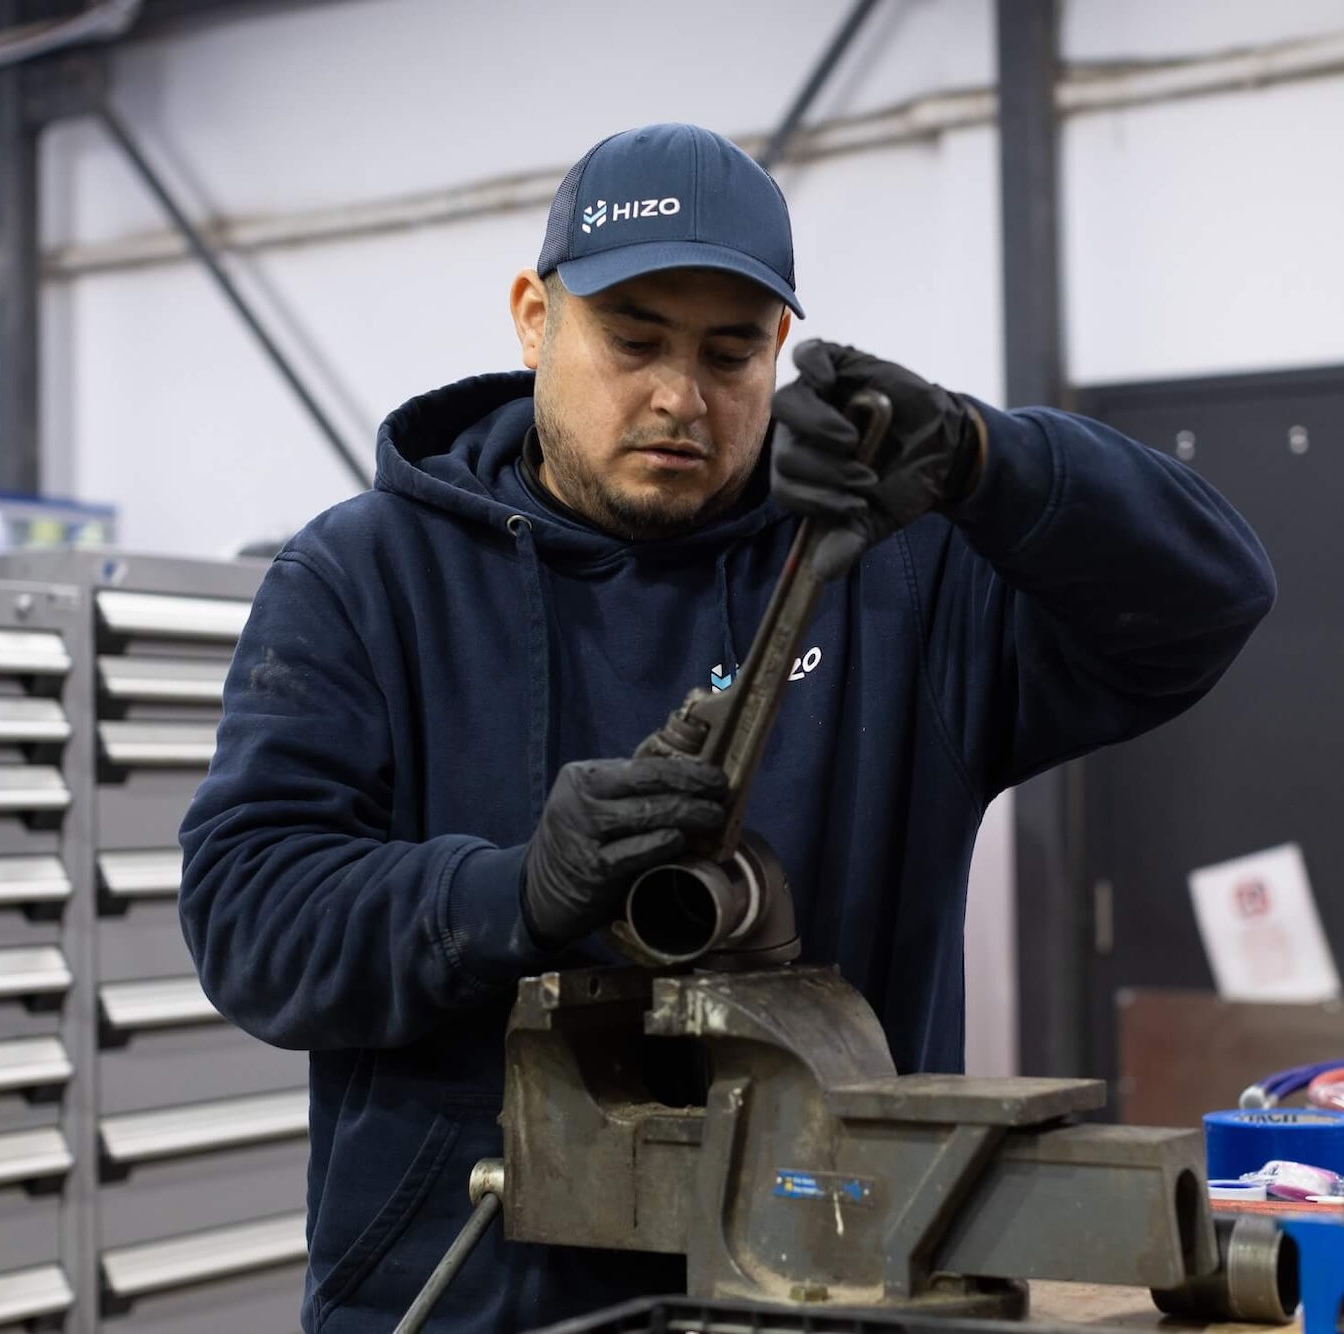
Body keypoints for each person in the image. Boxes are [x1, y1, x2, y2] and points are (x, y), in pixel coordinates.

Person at [179, 122, 1275, 1334]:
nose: (677, 395)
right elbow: (250, 917)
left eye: (729, 352)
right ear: (535, 317)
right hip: (468, 1290)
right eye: (633, 338)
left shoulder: (889, 579)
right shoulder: (366, 579)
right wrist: (511, 895)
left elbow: (1207, 597)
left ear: (780, 351)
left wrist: (981, 455)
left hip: (835, 1288)